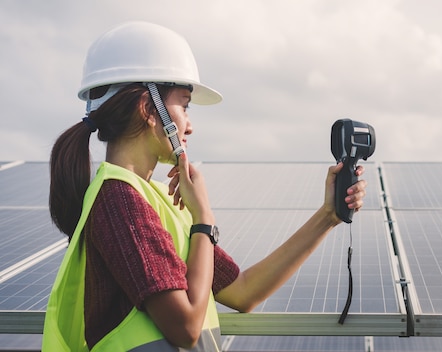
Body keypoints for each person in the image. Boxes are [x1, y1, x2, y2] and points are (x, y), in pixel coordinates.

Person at [42, 21, 367, 352]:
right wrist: (204, 219)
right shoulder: (119, 201)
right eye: (184, 105)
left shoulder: (151, 201)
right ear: (147, 110)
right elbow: (185, 328)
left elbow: (243, 291)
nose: (190, 125)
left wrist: (328, 215)